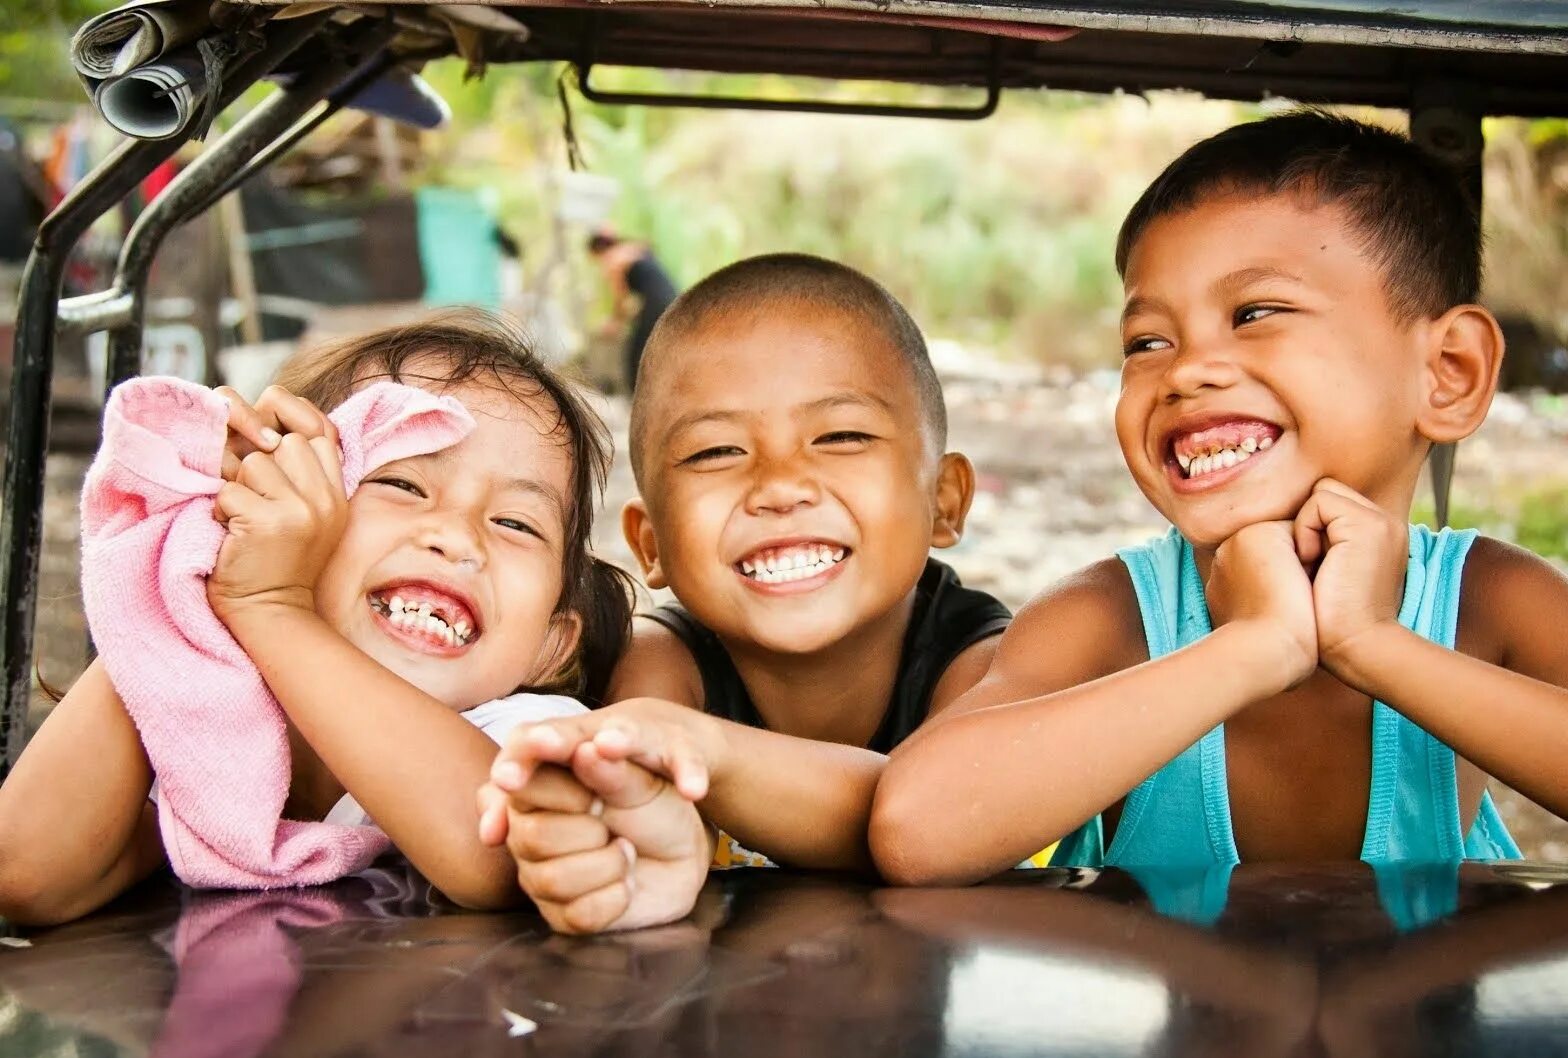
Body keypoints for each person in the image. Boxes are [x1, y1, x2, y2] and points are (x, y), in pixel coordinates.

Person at [869, 110, 1568, 885]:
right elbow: (917, 830)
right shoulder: (1106, 619)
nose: (1185, 372)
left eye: (1254, 314)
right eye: (1148, 342)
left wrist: (1372, 644)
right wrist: (1256, 647)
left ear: (1447, 372)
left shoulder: (1493, 603)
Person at [0, 311, 632, 925]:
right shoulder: (205, 722)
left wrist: (270, 608)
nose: (456, 536)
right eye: (402, 485)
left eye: (516, 524)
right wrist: (195, 558)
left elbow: (493, 851)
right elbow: (25, 872)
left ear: (553, 644)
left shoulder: (523, 727)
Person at [478, 254, 1011, 933]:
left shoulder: (983, 662)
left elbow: (935, 818)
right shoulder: (661, 667)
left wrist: (703, 750)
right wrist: (589, 848)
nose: (780, 486)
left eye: (841, 436)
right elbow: (634, 808)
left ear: (944, 499)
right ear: (651, 544)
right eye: (715, 452)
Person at [587, 227, 678, 393]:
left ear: (598, 250)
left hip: (656, 303)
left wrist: (614, 322)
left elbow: (621, 299)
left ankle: (636, 398)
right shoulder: (634, 249)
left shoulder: (613, 259)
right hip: (673, 299)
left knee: (636, 354)